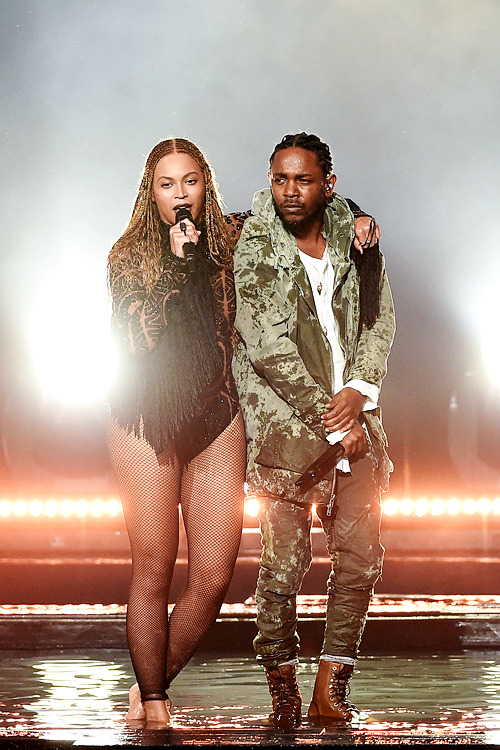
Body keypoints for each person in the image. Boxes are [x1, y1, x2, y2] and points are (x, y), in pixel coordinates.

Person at [233, 132, 395, 728]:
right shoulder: (255, 245)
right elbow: (266, 346)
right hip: (288, 435)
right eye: (279, 179)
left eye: (302, 179)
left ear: (328, 182)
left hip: (358, 425)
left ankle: (330, 691)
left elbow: (381, 317)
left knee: (358, 561)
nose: (289, 191)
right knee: (282, 569)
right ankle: (283, 695)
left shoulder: (357, 237)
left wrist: (358, 394)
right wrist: (333, 420)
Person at [106, 138, 248, 726]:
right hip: (146, 416)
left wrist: (360, 214)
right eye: (168, 184)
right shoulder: (128, 256)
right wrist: (180, 265)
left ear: (205, 185)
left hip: (215, 414)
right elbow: (140, 342)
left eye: (190, 181)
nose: (180, 194)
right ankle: (157, 710)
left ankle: (149, 683)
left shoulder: (233, 239)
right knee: (154, 566)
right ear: (152, 192)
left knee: (215, 575)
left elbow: (298, 201)